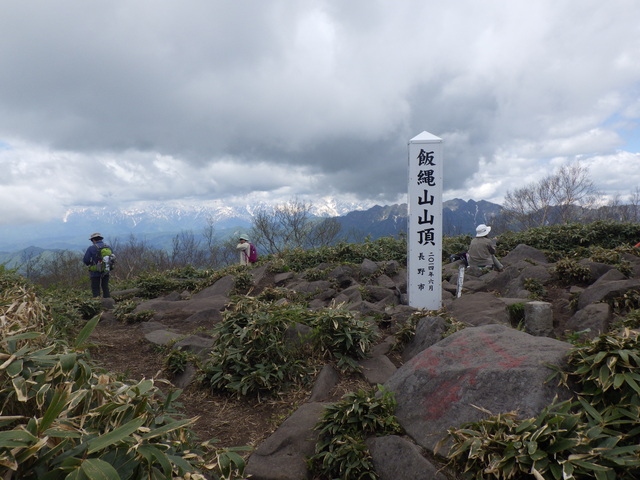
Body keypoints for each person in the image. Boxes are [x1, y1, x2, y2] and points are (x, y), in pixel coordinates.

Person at [83, 232, 112, 298]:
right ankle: (108, 301)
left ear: (93, 240)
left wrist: (89, 265)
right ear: (100, 239)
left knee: (95, 288)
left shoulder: (91, 248)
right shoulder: (108, 247)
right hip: (106, 270)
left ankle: (97, 303)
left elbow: (86, 260)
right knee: (105, 287)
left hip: (95, 271)